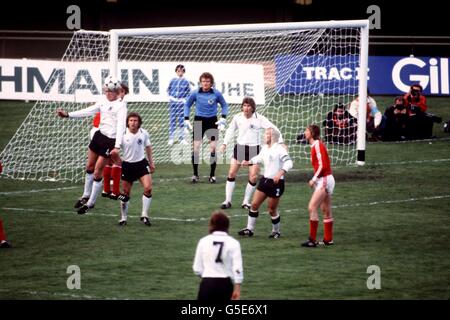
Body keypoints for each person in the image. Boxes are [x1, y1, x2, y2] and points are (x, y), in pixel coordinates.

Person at [56, 75, 127, 214]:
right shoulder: (102, 101)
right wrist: (68, 114)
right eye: (107, 90)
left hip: (110, 141)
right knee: (89, 166)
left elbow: (121, 127)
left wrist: (117, 146)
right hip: (99, 136)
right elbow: (89, 111)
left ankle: (91, 203)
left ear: (117, 91)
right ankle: (85, 195)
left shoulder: (121, 106)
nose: (109, 93)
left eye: (111, 91)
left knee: (97, 171)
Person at [219, 97, 284, 210]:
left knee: (253, 177)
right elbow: (230, 130)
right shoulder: (237, 117)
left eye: (249, 106)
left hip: (255, 150)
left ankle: (246, 202)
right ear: (242, 107)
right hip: (240, 148)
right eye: (244, 105)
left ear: (253, 108)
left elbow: (273, 128)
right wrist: (224, 143)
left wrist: (281, 141)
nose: (246, 108)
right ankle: (227, 201)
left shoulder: (259, 118)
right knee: (231, 173)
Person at [238, 128, 293, 239]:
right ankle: (250, 229)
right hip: (265, 181)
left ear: (272, 136)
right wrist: (250, 162)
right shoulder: (265, 148)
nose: (264, 136)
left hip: (276, 183)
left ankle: (276, 231)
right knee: (254, 205)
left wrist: (280, 172)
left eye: (266, 134)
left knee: (272, 210)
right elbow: (259, 158)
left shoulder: (280, 149)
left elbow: (289, 162)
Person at [184, 72, 228, 183]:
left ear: (211, 83)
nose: (205, 83)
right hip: (199, 121)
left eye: (208, 81)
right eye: (203, 81)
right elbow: (187, 105)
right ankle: (195, 174)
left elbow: (224, 105)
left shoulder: (216, 94)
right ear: (200, 82)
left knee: (213, 148)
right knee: (196, 148)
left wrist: (223, 118)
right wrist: (186, 118)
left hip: (212, 121)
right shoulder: (195, 93)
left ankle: (212, 175)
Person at [193, 211, 243, 302]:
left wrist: (208, 276)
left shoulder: (203, 241)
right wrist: (237, 287)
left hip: (207, 284)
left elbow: (197, 269)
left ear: (211, 225)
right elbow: (237, 268)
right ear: (227, 225)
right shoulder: (234, 243)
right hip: (225, 284)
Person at [117, 112, 155, 226]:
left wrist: (151, 162)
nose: (133, 123)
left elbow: (148, 147)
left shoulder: (143, 133)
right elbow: (115, 149)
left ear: (139, 123)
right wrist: (119, 162)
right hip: (127, 165)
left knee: (148, 188)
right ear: (127, 122)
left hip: (141, 164)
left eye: (135, 121)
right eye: (131, 120)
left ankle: (144, 215)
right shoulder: (122, 134)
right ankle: (123, 218)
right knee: (126, 193)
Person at [301, 124, 335, 248]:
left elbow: (323, 165)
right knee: (325, 210)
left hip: (324, 179)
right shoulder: (315, 146)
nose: (305, 132)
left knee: (312, 207)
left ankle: (312, 240)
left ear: (312, 133)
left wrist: (313, 179)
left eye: (307, 131)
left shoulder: (318, 145)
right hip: (325, 179)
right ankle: (328, 239)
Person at [102, 83, 129, 200]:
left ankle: (106, 188)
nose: (120, 93)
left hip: (106, 134)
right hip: (111, 135)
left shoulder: (118, 103)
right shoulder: (119, 104)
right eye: (119, 91)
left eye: (123, 92)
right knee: (117, 161)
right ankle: (115, 190)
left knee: (109, 161)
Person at [167, 64, 191, 146]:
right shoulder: (172, 80)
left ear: (184, 72)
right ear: (176, 71)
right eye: (178, 71)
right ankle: (171, 138)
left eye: (181, 71)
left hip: (181, 103)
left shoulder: (186, 81)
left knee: (182, 121)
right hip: (173, 102)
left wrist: (185, 100)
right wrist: (170, 97)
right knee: (172, 120)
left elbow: (189, 92)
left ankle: (182, 138)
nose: (180, 72)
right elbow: (168, 89)